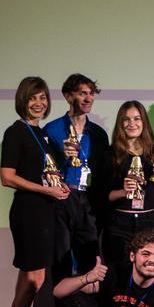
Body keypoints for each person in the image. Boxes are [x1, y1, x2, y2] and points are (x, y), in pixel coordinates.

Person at [0, 76, 69, 307]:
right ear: (22, 100)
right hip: (29, 212)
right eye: (33, 98)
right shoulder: (15, 132)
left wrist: (60, 185)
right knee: (33, 279)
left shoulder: (42, 135)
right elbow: (7, 177)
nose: (39, 103)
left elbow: (46, 174)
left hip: (45, 211)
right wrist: (45, 190)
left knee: (29, 281)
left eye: (43, 98)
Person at [44, 73, 109, 277]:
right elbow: (43, 169)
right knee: (61, 258)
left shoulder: (99, 134)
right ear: (68, 96)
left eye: (91, 94)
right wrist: (62, 156)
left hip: (89, 201)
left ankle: (87, 298)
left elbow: (103, 172)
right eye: (82, 93)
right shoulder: (52, 130)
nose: (88, 98)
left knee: (90, 259)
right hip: (62, 198)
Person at [104, 101, 154, 267]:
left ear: (144, 122)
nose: (132, 123)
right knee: (118, 272)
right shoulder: (110, 153)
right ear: (120, 123)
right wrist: (123, 191)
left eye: (137, 118)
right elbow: (102, 195)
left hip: (151, 222)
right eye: (126, 119)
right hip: (120, 224)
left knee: (149, 273)